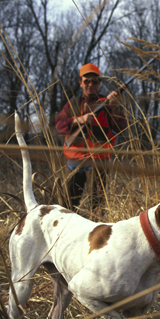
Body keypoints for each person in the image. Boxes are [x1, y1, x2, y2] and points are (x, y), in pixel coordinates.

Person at [56, 63, 127, 216]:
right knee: (67, 208)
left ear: (99, 83)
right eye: (86, 81)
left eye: (94, 81)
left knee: (97, 208)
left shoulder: (108, 103)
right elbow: (59, 125)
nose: (90, 84)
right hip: (74, 162)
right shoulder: (73, 104)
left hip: (98, 162)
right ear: (80, 82)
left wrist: (114, 108)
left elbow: (121, 127)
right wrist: (78, 120)